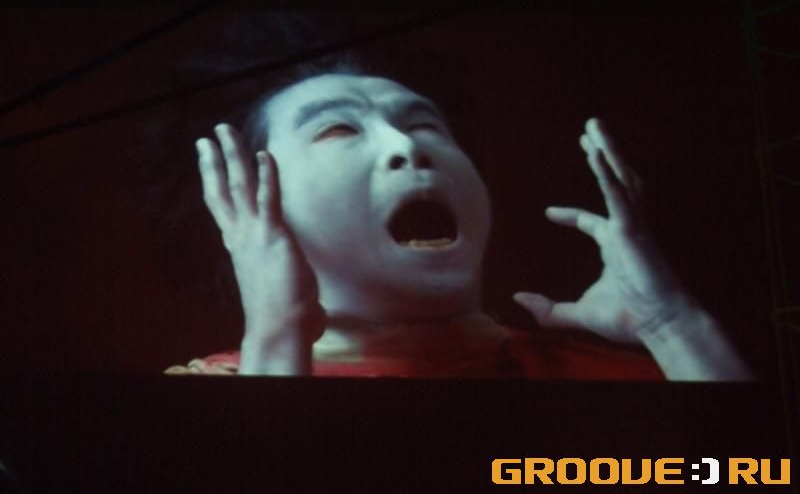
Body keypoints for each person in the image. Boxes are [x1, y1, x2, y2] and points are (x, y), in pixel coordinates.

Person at [165, 68, 752, 380]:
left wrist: (673, 326)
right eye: (338, 130)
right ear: (244, 199)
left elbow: (749, 473)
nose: (406, 146)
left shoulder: (630, 377)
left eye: (426, 126)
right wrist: (276, 341)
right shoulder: (206, 395)